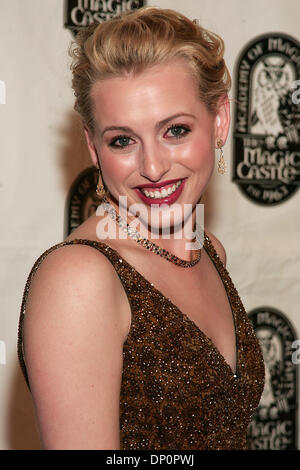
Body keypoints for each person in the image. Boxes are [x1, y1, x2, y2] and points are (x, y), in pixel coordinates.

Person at [17, 7, 265, 450]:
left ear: (220, 120)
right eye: (123, 140)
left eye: (175, 130)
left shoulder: (208, 250)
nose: (153, 167)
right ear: (93, 147)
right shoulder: (79, 279)